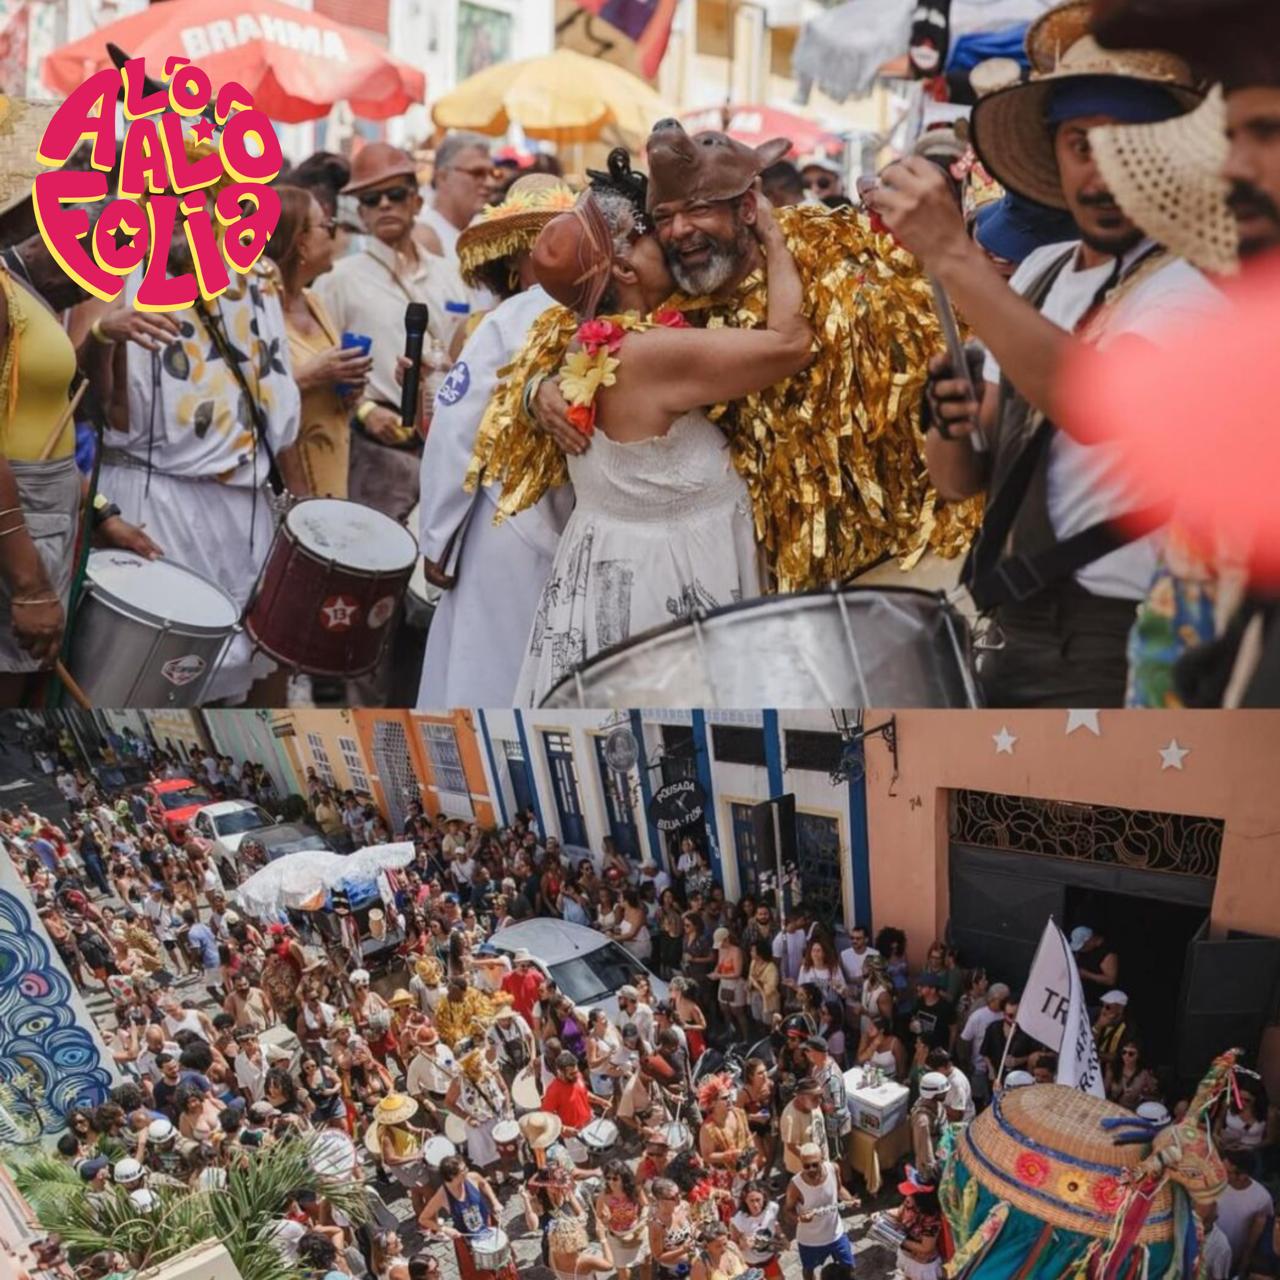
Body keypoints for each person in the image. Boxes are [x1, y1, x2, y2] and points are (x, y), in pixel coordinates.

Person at [876, 2, 1222, 707]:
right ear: (1054, 153)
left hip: (1116, 639)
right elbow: (961, 480)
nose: (1102, 173)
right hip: (1012, 623)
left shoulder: (1193, 286)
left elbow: (1093, 404)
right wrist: (950, 417)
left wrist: (951, 253)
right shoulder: (1042, 271)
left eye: (1130, 142)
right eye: (1080, 143)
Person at [509, 184, 810, 703]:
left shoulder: (589, 344)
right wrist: (774, 237)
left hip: (616, 573)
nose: (669, 236)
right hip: (665, 586)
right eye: (649, 229)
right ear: (625, 269)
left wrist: (535, 388)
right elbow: (792, 344)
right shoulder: (647, 354)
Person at [87, 169, 305, 705]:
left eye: (204, 192)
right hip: (153, 505)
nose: (189, 207)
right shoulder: (109, 265)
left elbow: (273, 395)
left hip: (246, 512)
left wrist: (302, 504)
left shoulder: (257, 275)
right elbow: (84, 401)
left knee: (246, 671)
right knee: (150, 674)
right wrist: (103, 336)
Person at [415, 174, 577, 708]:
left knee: (485, 668)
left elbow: (454, 433)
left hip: (506, 517)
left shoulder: (505, 320)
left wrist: (438, 539)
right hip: (576, 522)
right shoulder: (607, 312)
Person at [317, 143, 468, 524]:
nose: (385, 204)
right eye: (371, 199)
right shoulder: (338, 280)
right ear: (361, 214)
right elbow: (318, 361)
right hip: (376, 449)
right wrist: (365, 412)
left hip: (445, 442)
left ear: (416, 202)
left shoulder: (451, 275)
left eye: (396, 194)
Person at [265, 185, 370, 499]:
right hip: (288, 487)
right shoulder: (259, 309)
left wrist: (350, 389)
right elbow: (252, 398)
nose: (335, 236)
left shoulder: (314, 301)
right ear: (301, 243)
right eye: (328, 226)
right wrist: (315, 374)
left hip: (332, 472)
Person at [418, 1154, 512, 1280]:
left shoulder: (472, 1177)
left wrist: (495, 1202)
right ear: (452, 1176)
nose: (467, 1170)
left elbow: (484, 1183)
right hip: (467, 1240)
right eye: (463, 1170)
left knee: (503, 1263)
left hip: (488, 1227)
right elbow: (423, 1219)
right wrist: (444, 1229)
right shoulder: (442, 1194)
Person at [783, 1142, 859, 1280]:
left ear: (822, 1159)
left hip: (835, 1234)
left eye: (815, 1164)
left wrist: (850, 1201)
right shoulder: (795, 1185)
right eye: (806, 1166)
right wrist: (799, 1218)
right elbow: (787, 1211)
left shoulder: (833, 1169)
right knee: (808, 1271)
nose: (811, 1169)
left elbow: (839, 1189)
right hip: (811, 1240)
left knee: (849, 1268)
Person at [1216, 1151, 1275, 1277]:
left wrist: (1243, 1266)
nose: (1220, 1173)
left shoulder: (1262, 1198)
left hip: (1236, 1257)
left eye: (1227, 1171)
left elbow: (1262, 1234)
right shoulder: (1216, 1185)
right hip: (1213, 1251)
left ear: (1243, 1176)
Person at [594, 1160, 649, 1280]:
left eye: (615, 1178)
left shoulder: (635, 1189)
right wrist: (605, 1219)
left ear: (623, 1177)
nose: (610, 1182)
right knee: (623, 1273)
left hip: (637, 1231)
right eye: (608, 1178)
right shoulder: (604, 1195)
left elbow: (646, 1205)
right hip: (617, 1236)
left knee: (646, 1264)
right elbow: (599, 1216)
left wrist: (643, 1219)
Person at [887, 1175, 944, 1280]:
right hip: (907, 1254)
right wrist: (883, 1214)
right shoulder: (910, 1204)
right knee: (908, 1275)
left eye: (911, 1194)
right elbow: (900, 1212)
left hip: (921, 1263)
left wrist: (900, 1240)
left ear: (922, 1199)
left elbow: (926, 1247)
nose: (907, 1197)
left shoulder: (930, 1220)